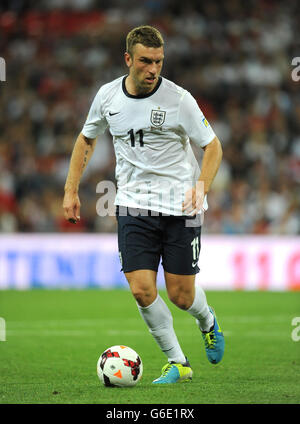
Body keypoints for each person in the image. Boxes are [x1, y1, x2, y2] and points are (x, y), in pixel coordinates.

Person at [63, 25, 224, 384]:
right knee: (141, 289)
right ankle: (178, 362)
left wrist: (201, 186)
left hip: (181, 206)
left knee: (182, 296)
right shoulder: (107, 97)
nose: (153, 69)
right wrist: (71, 190)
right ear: (128, 60)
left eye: (159, 62)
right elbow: (86, 138)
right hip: (133, 206)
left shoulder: (179, 99)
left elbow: (213, 147)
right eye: (146, 62)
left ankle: (207, 320)